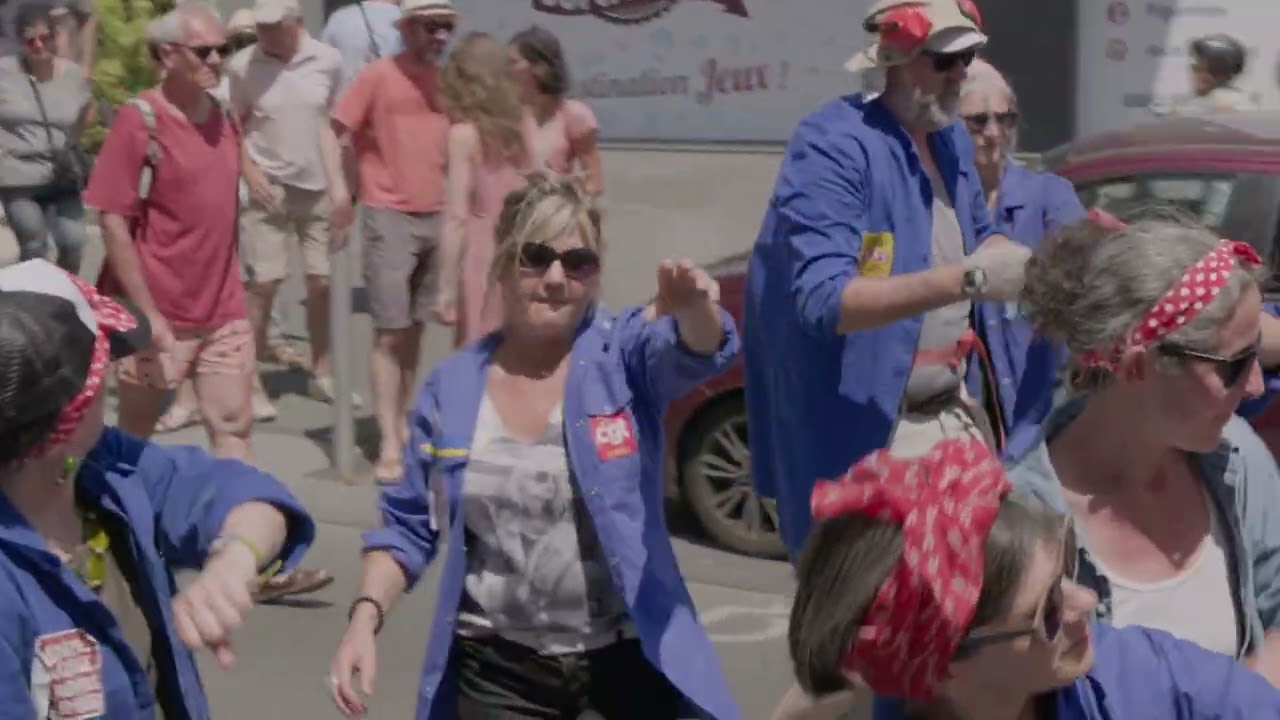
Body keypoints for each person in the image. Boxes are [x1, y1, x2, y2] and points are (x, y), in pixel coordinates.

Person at [327, 175, 741, 720]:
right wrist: (364, 617)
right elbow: (407, 526)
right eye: (536, 257)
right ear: (502, 264)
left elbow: (696, 350)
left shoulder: (622, 356)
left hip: (624, 668)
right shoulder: (450, 390)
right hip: (499, 675)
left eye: (577, 262)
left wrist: (694, 309)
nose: (555, 278)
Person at [745, 0, 1032, 559]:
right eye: (945, 59)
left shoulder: (946, 137)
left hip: (950, 416)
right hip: (866, 441)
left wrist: (1019, 262)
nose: (960, 74)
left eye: (968, 57)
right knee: (868, 630)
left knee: (974, 614)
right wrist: (970, 279)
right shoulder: (832, 144)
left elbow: (981, 232)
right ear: (897, 56)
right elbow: (825, 301)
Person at [85, 3, 331, 602]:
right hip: (156, 317)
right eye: (205, 52)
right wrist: (150, 320)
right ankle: (109, 547)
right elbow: (114, 223)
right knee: (131, 441)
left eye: (222, 49)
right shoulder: (137, 122)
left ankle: (249, 562)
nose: (218, 60)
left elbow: (231, 148)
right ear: (168, 56)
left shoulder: (220, 111)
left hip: (222, 308)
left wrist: (258, 176)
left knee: (233, 427)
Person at [0, 258, 318, 717]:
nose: (112, 378)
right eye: (102, 367)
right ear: (64, 423)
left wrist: (235, 557)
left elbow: (243, 491)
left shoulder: (105, 466)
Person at [788, 436, 1280, 719]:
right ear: (943, 667)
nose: (1085, 600)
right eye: (1045, 612)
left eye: (1065, 563)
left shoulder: (1136, 675)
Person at [1006, 215, 1280, 685]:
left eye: (1257, 354)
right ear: (1137, 369)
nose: (1256, 386)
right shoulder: (1023, 522)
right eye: (1233, 367)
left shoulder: (1239, 458)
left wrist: (1247, 698)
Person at [331, 0, 454, 485]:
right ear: (406, 29)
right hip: (389, 214)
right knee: (389, 332)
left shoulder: (450, 83)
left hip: (440, 216)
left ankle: (401, 421)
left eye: (446, 27)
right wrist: (342, 191)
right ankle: (387, 438)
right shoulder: (377, 76)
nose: (440, 36)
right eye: (431, 26)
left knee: (416, 330)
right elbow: (334, 131)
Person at [229, 0, 354, 410]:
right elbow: (233, 127)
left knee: (321, 282)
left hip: (316, 186)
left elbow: (332, 126)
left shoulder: (328, 60)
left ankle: (323, 371)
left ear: (296, 24)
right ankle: (249, 382)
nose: (265, 36)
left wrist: (342, 191)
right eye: (261, 28)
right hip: (268, 185)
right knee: (263, 284)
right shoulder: (243, 66)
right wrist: (249, 173)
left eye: (274, 28)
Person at [957, 58, 1085, 456]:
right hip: (962, 424)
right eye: (977, 122)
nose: (993, 133)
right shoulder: (938, 205)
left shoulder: (1050, 195)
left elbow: (1081, 277)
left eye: (1005, 119)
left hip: (1038, 420)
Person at [436, 31, 531, 345]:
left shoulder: (463, 135)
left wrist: (446, 286)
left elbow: (456, 219)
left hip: (481, 252)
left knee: (478, 353)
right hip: (522, 244)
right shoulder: (521, 127)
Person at [0, 2, 93, 273]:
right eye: (31, 40)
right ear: (20, 41)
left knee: (74, 242)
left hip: (61, 174)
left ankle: (63, 296)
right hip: (18, 177)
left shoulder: (72, 75)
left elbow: (84, 110)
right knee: (35, 245)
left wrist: (72, 145)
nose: (39, 46)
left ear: (56, 37)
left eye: (45, 38)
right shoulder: (4, 73)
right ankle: (32, 305)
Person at [509, 26, 603, 198]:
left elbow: (594, 184)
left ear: (540, 67)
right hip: (510, 218)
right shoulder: (506, 114)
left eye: (513, 62)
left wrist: (557, 184)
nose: (507, 69)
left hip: (553, 217)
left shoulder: (574, 115)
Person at [1156, 34, 1259, 116]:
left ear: (1221, 72)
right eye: (1194, 68)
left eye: (1200, 69)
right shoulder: (1196, 103)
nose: (1195, 75)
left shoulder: (1231, 101)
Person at [321, 0, 403, 93]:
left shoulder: (338, 19)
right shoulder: (409, 21)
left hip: (346, 101)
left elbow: (323, 72)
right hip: (393, 102)